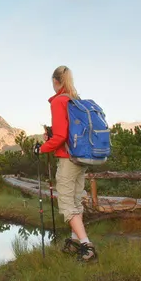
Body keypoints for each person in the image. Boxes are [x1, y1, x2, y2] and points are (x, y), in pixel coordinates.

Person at [34, 65, 97, 262]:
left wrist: (42, 148)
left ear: (55, 82)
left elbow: (61, 137)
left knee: (67, 205)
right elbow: (67, 132)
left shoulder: (59, 101)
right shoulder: (74, 100)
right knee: (76, 201)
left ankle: (87, 246)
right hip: (81, 157)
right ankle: (75, 241)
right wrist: (53, 134)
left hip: (68, 159)